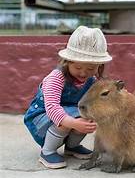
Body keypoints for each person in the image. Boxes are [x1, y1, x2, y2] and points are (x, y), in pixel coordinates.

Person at [24, 26, 112, 169]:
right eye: (78, 68)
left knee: (86, 117)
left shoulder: (92, 80)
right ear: (67, 61)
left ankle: (72, 147)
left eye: (90, 69)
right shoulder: (56, 78)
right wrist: (73, 123)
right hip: (43, 117)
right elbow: (52, 108)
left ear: (99, 66)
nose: (83, 73)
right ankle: (47, 151)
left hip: (68, 113)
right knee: (67, 121)